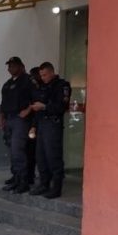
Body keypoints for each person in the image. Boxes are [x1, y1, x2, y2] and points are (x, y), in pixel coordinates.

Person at [29, 62, 71, 199]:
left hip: (53, 124)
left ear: (52, 72)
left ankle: (56, 187)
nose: (43, 78)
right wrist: (34, 126)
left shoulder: (62, 86)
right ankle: (44, 184)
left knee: (53, 156)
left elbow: (62, 107)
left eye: (45, 75)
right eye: (41, 75)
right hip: (41, 124)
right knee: (40, 156)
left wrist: (45, 107)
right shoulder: (42, 87)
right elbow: (38, 109)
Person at [0, 57, 35, 193]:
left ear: (21, 66)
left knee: (17, 150)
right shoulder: (7, 84)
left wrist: (28, 110)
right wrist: (1, 118)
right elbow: (3, 103)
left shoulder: (28, 81)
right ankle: (16, 178)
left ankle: (23, 181)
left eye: (13, 66)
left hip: (20, 120)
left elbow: (36, 98)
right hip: (9, 119)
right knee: (12, 151)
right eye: (9, 66)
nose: (10, 68)